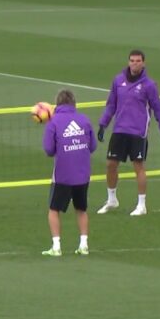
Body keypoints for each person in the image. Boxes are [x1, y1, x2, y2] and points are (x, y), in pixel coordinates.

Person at [95, 49, 160, 216]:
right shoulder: (118, 80)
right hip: (119, 130)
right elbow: (111, 105)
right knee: (110, 164)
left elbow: (158, 109)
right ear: (128, 62)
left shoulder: (149, 85)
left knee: (138, 167)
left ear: (143, 63)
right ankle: (112, 199)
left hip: (138, 133)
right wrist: (103, 124)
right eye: (132, 60)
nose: (134, 63)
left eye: (138, 61)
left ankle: (141, 205)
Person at [41, 89, 97, 256]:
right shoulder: (84, 120)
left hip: (62, 175)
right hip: (82, 174)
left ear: (57, 104)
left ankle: (56, 247)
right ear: (74, 103)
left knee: (53, 210)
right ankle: (84, 245)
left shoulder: (54, 122)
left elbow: (49, 150)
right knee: (81, 209)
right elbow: (93, 146)